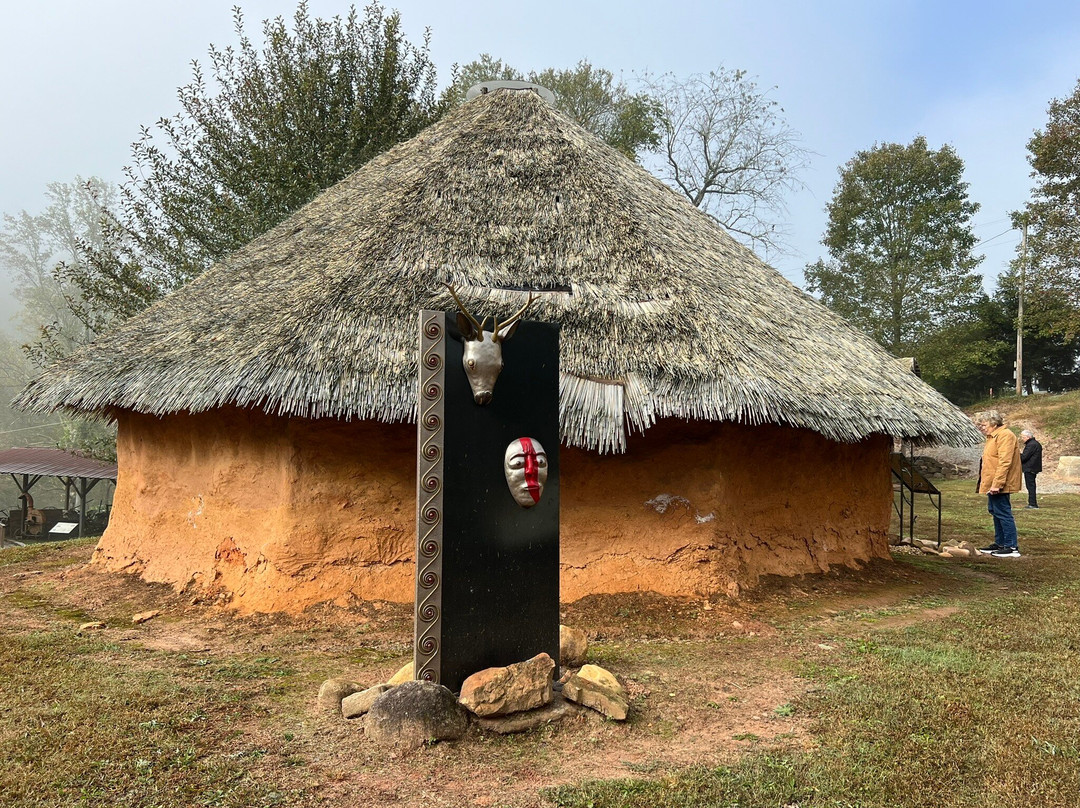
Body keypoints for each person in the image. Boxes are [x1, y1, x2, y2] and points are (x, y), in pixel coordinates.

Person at [973, 410, 1022, 558]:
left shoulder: (1005, 435)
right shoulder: (993, 436)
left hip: (999, 483)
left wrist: (997, 484)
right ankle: (1000, 543)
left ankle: (1011, 547)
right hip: (992, 481)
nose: (981, 427)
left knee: (1003, 512)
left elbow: (1004, 462)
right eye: (979, 425)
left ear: (994, 423)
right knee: (995, 511)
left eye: (983, 424)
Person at [1020, 429, 1043, 509]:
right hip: (1033, 467)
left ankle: (1033, 503)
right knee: (1031, 486)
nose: (1022, 439)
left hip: (1030, 468)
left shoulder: (1031, 445)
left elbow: (1024, 457)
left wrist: (1016, 455)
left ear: (1027, 437)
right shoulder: (1035, 444)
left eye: (1023, 437)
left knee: (1030, 486)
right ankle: (1032, 503)